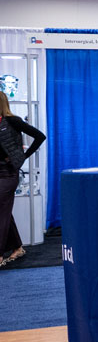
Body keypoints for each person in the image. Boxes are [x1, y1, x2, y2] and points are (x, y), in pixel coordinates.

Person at [0, 90, 45, 269]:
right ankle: (17, 247)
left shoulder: (12, 121)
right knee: (4, 212)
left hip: (7, 173)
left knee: (1, 211)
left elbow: (39, 136)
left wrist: (23, 156)